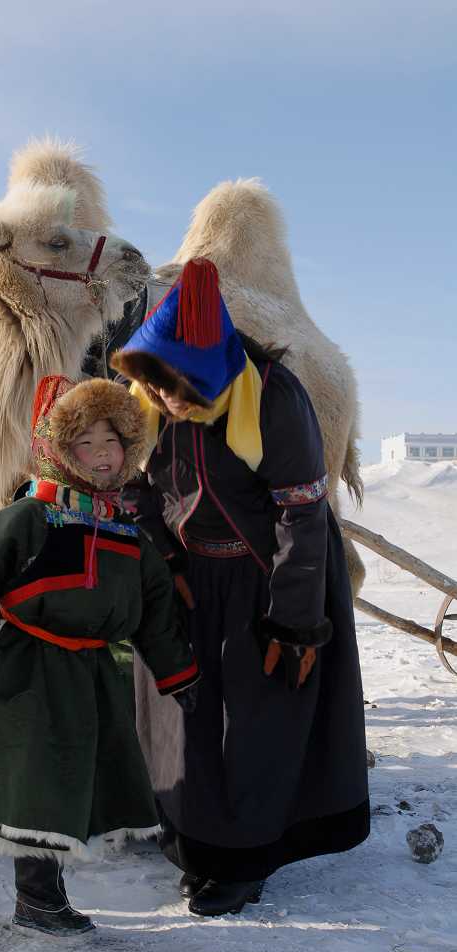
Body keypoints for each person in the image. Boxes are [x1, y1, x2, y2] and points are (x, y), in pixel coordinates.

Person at [0, 375, 200, 946]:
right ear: (61, 452)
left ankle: (40, 899)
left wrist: (179, 676)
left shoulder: (129, 536)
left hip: (86, 676)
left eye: (112, 442)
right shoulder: (30, 516)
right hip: (12, 667)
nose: (102, 456)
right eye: (86, 444)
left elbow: (156, 617)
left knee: (56, 780)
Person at [110, 258, 370, 917]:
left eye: (179, 389)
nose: (168, 401)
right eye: (158, 386)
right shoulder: (150, 401)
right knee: (180, 715)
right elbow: (137, 491)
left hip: (268, 579)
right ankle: (190, 840)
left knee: (252, 725)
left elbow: (300, 513)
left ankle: (243, 858)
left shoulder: (275, 398)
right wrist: (162, 562)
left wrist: (294, 621)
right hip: (188, 580)